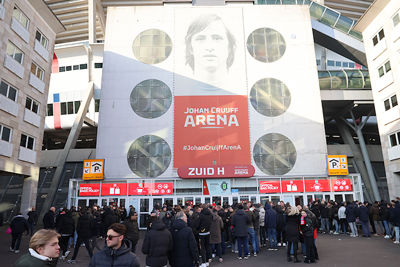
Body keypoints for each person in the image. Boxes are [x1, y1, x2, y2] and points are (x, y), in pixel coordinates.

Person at [184, 14, 236, 90]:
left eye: (217, 38)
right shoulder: (180, 90)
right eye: (200, 39)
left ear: (229, 47)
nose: (209, 47)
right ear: (190, 48)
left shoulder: (243, 91)